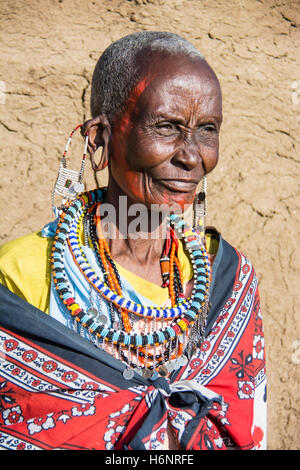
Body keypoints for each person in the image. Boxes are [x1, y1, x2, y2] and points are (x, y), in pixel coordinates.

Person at [0, 31, 266, 450]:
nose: (192, 156)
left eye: (207, 129)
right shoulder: (22, 273)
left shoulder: (226, 280)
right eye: (166, 126)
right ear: (100, 139)